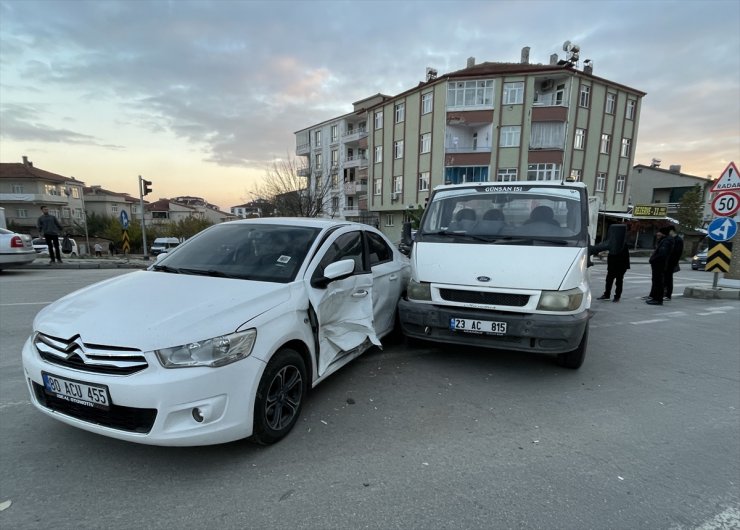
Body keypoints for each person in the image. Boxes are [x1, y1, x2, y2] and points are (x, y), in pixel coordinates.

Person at [646, 226, 674, 305]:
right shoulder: (665, 240)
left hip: (659, 264)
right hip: (658, 264)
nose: (657, 233)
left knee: (658, 282)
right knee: (656, 281)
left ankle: (658, 299)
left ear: (663, 233)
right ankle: (655, 298)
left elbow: (662, 254)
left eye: (659, 232)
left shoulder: (666, 241)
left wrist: (653, 259)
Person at [664, 226, 683, 301]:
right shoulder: (669, 239)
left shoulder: (678, 240)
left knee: (668, 279)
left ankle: (668, 295)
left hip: (671, 262)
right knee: (664, 279)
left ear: (672, 231)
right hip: (666, 262)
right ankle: (663, 293)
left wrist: (673, 263)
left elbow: (678, 253)